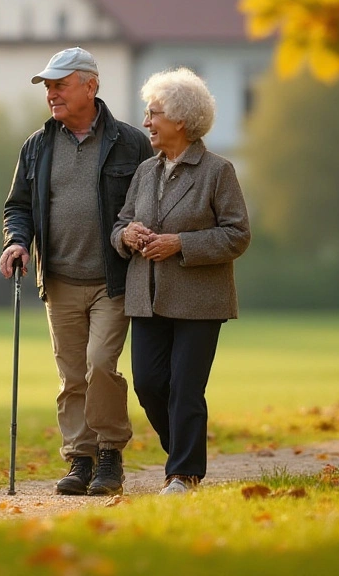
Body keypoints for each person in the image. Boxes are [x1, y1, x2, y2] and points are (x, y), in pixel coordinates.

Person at [0, 46, 154, 496]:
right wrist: (16, 241)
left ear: (90, 85)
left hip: (114, 278)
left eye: (60, 84)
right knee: (72, 376)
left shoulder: (130, 142)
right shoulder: (37, 145)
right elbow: (19, 206)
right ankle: (79, 460)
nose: (52, 94)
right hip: (61, 280)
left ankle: (110, 454)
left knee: (100, 364)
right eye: (48, 86)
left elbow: (150, 200)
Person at [110, 67, 250, 496]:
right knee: (150, 385)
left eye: (153, 114)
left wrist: (181, 244)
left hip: (200, 301)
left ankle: (183, 474)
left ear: (181, 121)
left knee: (185, 389)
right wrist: (126, 235)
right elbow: (119, 224)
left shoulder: (217, 171)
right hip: (146, 297)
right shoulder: (145, 171)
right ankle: (184, 457)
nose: (146, 123)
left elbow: (237, 234)